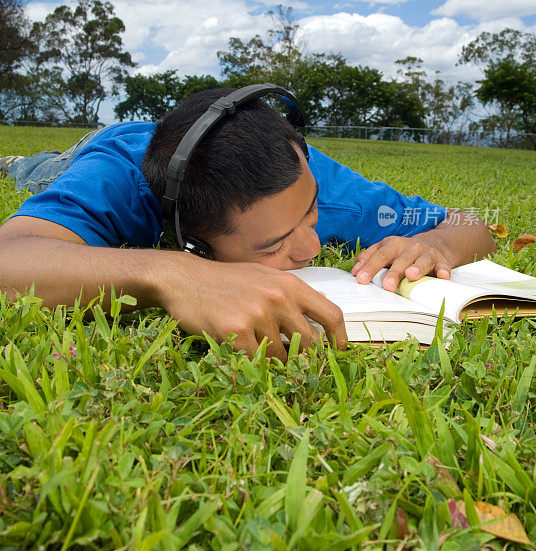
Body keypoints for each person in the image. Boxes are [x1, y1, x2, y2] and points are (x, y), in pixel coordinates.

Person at [0, 88, 495, 360]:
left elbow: (472, 220)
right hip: (100, 146)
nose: (311, 247)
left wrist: (440, 243)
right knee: (35, 170)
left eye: (311, 212)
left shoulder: (307, 178)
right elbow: (11, 256)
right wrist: (175, 275)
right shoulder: (116, 182)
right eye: (275, 243)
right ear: (193, 238)